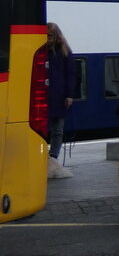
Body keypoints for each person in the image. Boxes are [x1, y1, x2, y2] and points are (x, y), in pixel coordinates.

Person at [45, 22, 78, 179]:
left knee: (57, 130)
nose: (48, 38)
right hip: (46, 94)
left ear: (56, 35)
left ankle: (53, 157)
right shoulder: (43, 51)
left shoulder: (64, 51)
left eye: (50, 35)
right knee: (45, 128)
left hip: (58, 95)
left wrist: (69, 95)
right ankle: (46, 158)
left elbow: (71, 74)